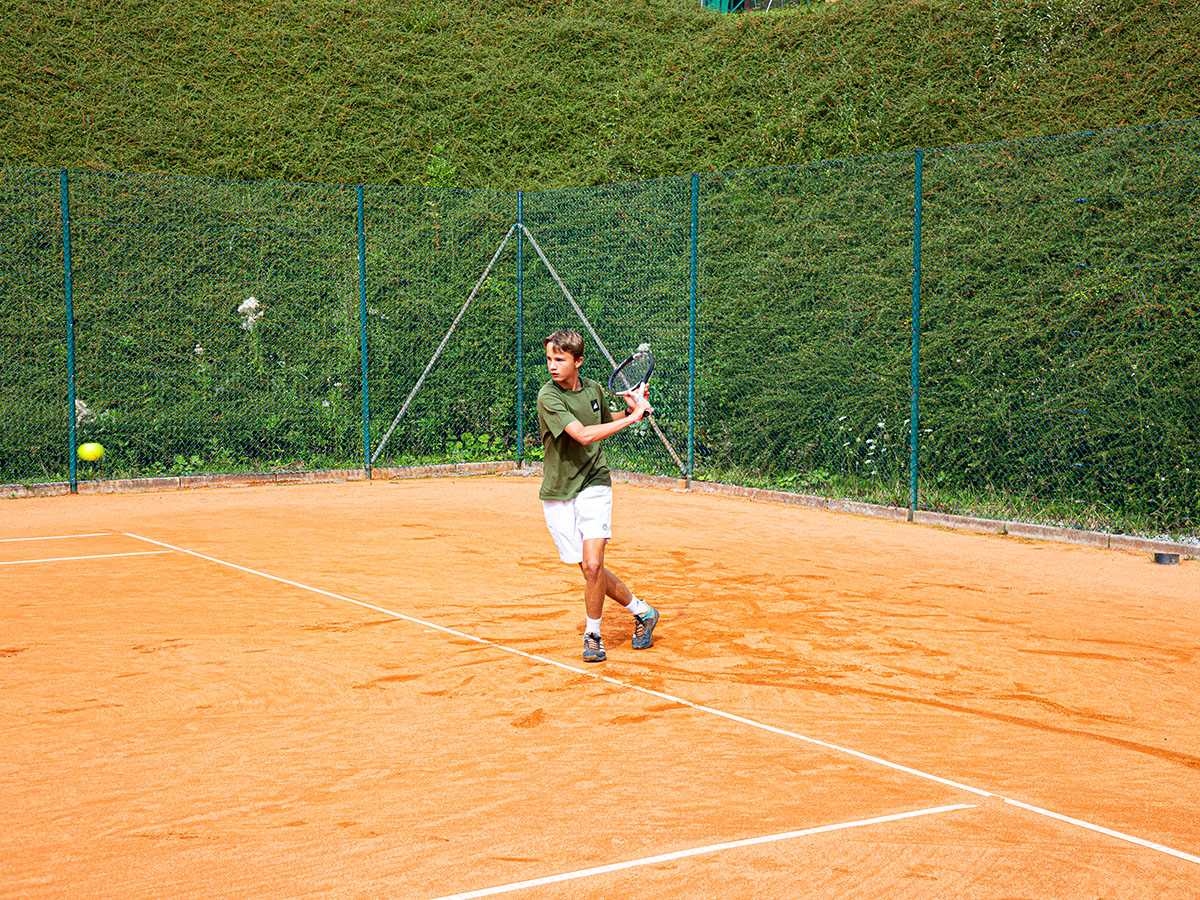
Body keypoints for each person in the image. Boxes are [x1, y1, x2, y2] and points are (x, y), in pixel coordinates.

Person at [536, 329, 659, 663]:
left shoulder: (593, 390)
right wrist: (632, 418)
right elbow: (585, 435)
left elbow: (606, 421)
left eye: (559, 359)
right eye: (549, 358)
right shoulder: (549, 396)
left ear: (577, 361)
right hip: (559, 490)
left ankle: (592, 635)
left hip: (594, 482)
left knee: (592, 566)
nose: (552, 366)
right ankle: (643, 611)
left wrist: (636, 412)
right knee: (590, 572)